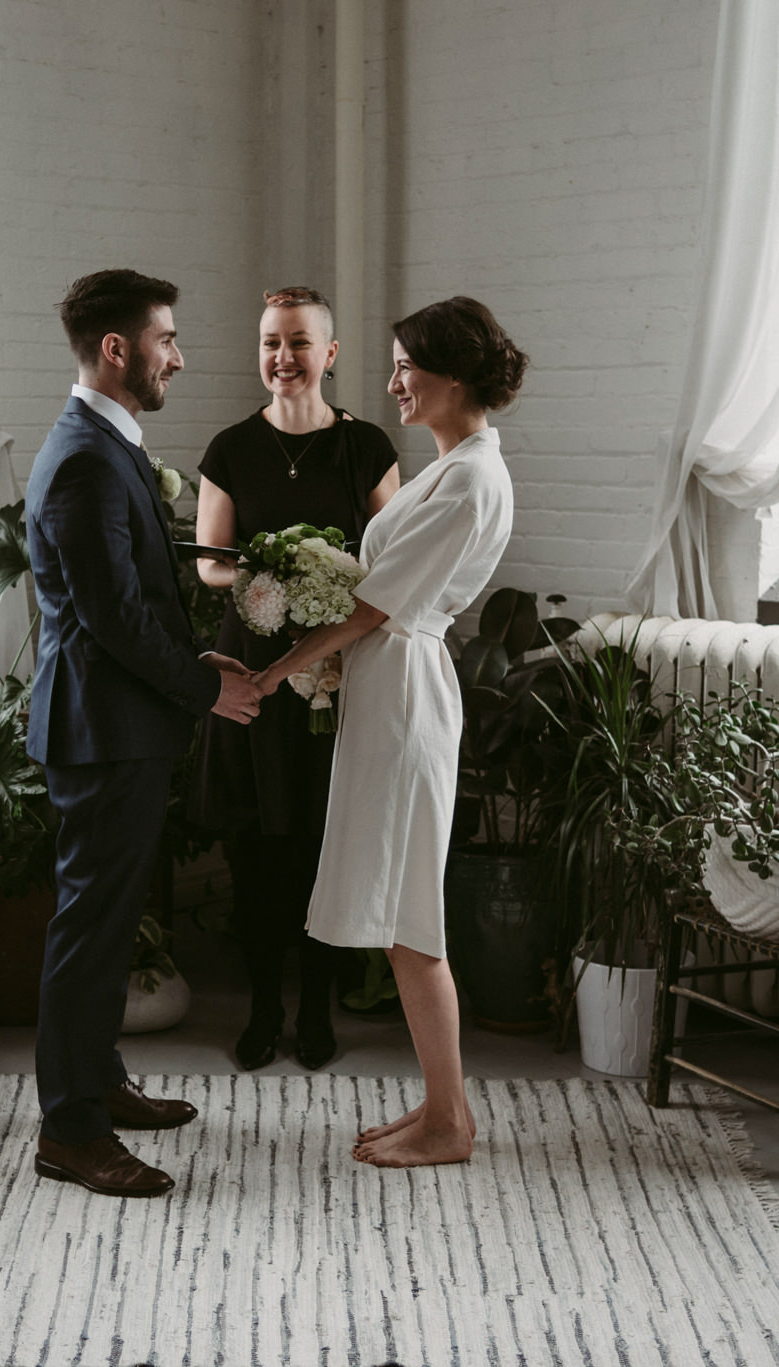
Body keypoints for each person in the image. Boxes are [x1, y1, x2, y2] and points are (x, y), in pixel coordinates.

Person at [251, 296, 526, 1169]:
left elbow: (374, 606)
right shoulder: (457, 466)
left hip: (407, 689)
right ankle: (443, 1107)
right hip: (392, 685)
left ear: (453, 376)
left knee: (414, 918)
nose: (393, 381)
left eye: (407, 365)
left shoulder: (474, 477)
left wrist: (270, 672)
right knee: (407, 917)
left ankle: (449, 1121)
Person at [24, 268, 263, 1199]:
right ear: (118, 349)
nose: (179, 355)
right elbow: (116, 619)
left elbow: (129, 606)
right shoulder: (85, 455)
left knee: (110, 921)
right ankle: (69, 1130)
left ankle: (98, 1080)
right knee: (88, 931)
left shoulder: (103, 441)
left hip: (121, 726)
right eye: (166, 338)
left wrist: (197, 678)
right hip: (101, 732)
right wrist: (206, 689)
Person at [190, 286, 401, 1072]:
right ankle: (262, 1009)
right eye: (271, 343)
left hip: (338, 675)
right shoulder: (229, 449)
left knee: (324, 847)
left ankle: (316, 1010)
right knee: (256, 852)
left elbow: (393, 560)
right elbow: (211, 563)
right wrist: (266, 572)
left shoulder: (368, 447)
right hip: (252, 671)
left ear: (330, 354)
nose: (284, 358)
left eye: (299, 343)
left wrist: (333, 577)